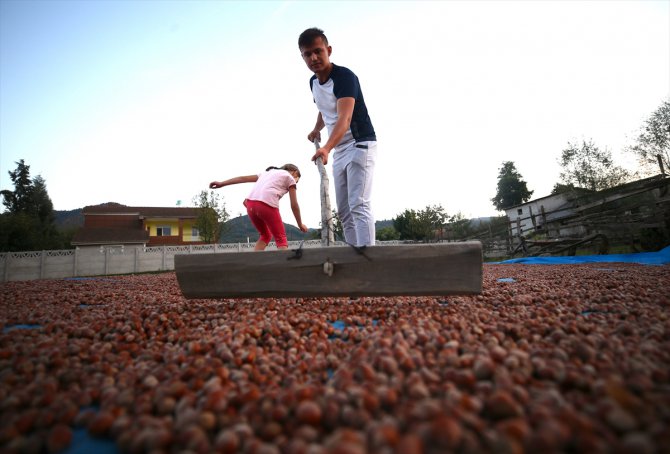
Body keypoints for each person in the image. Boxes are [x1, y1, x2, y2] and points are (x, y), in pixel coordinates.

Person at [298, 27, 378, 247]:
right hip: (339, 148)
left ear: (328, 50)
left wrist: (326, 148)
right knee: (344, 211)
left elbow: (344, 118)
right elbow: (325, 108)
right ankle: (354, 257)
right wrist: (316, 129)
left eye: (318, 51)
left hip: (360, 143)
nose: (313, 58)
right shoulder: (313, 82)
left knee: (358, 204)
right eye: (307, 54)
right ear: (302, 56)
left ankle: (369, 260)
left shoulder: (344, 77)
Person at [209, 164, 308, 251]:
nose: (296, 182)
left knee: (265, 235)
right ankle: (286, 269)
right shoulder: (290, 178)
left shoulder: (267, 173)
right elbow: (294, 205)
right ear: (295, 172)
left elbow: (243, 179)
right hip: (266, 205)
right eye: (297, 180)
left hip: (250, 205)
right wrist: (300, 224)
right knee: (281, 238)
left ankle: (254, 263)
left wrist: (222, 183)